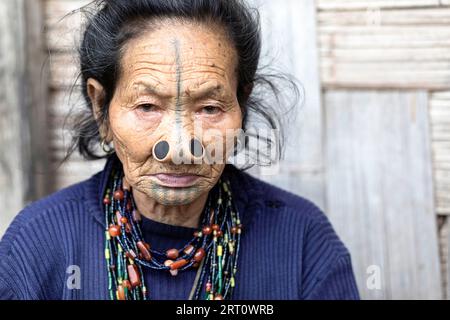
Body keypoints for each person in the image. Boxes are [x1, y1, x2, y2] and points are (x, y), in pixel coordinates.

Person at [0, 0, 359, 300]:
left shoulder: (301, 241)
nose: (177, 149)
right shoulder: (38, 244)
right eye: (147, 107)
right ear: (101, 109)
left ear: (241, 105)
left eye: (209, 108)